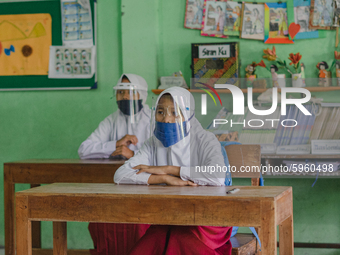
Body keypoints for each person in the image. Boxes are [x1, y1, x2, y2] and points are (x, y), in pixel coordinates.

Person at [114, 87, 232, 255]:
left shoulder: (205, 140)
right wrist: (164, 178)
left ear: (189, 114)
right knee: (154, 238)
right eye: (160, 112)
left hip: (208, 217)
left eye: (175, 113)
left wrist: (171, 170)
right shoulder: (153, 143)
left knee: (176, 238)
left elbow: (218, 176)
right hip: (171, 215)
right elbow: (121, 174)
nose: (167, 119)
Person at [80, 74, 152, 255]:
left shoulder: (153, 118)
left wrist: (133, 154)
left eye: (130, 92)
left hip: (146, 187)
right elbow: (84, 150)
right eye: (120, 92)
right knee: (100, 223)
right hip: (115, 186)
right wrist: (115, 144)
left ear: (141, 95)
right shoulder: (111, 120)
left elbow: (162, 154)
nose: (125, 97)